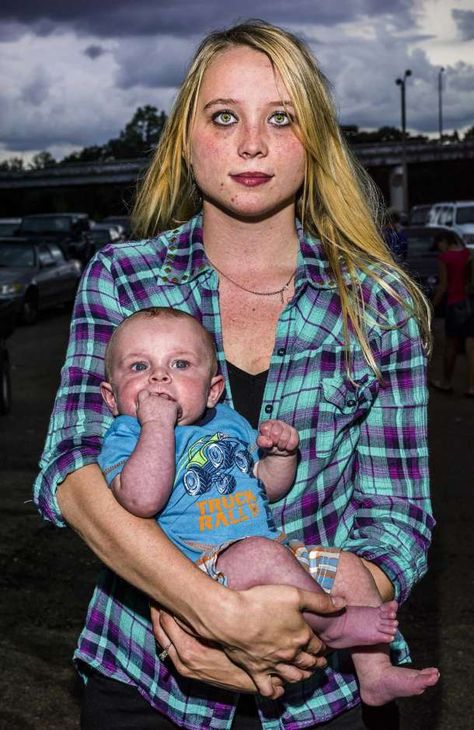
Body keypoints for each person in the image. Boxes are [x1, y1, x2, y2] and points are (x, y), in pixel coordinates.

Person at [33, 20, 435, 730]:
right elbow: (73, 473)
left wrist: (299, 628)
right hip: (146, 678)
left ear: (314, 143)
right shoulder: (121, 278)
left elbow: (397, 518)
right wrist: (213, 609)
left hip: (325, 693)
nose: (252, 144)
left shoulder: (380, 303)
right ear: (186, 141)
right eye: (225, 117)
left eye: (280, 118)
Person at [98, 305, 438, 707]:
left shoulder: (227, 422)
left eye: (180, 363)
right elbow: (141, 498)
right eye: (138, 366)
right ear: (112, 397)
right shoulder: (127, 435)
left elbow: (266, 489)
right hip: (203, 570)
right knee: (262, 554)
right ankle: (333, 624)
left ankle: (375, 674)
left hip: (271, 551)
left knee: (349, 567)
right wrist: (156, 425)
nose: (159, 376)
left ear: (212, 390)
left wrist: (280, 458)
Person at [430, 230, 474, 397]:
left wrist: (432, 307)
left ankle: (447, 382)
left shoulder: (445, 258)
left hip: (455, 304)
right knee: (471, 346)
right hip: (471, 302)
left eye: (438, 245)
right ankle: (471, 387)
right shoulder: (467, 254)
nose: (439, 249)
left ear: (444, 241)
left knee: (451, 346)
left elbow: (443, 286)